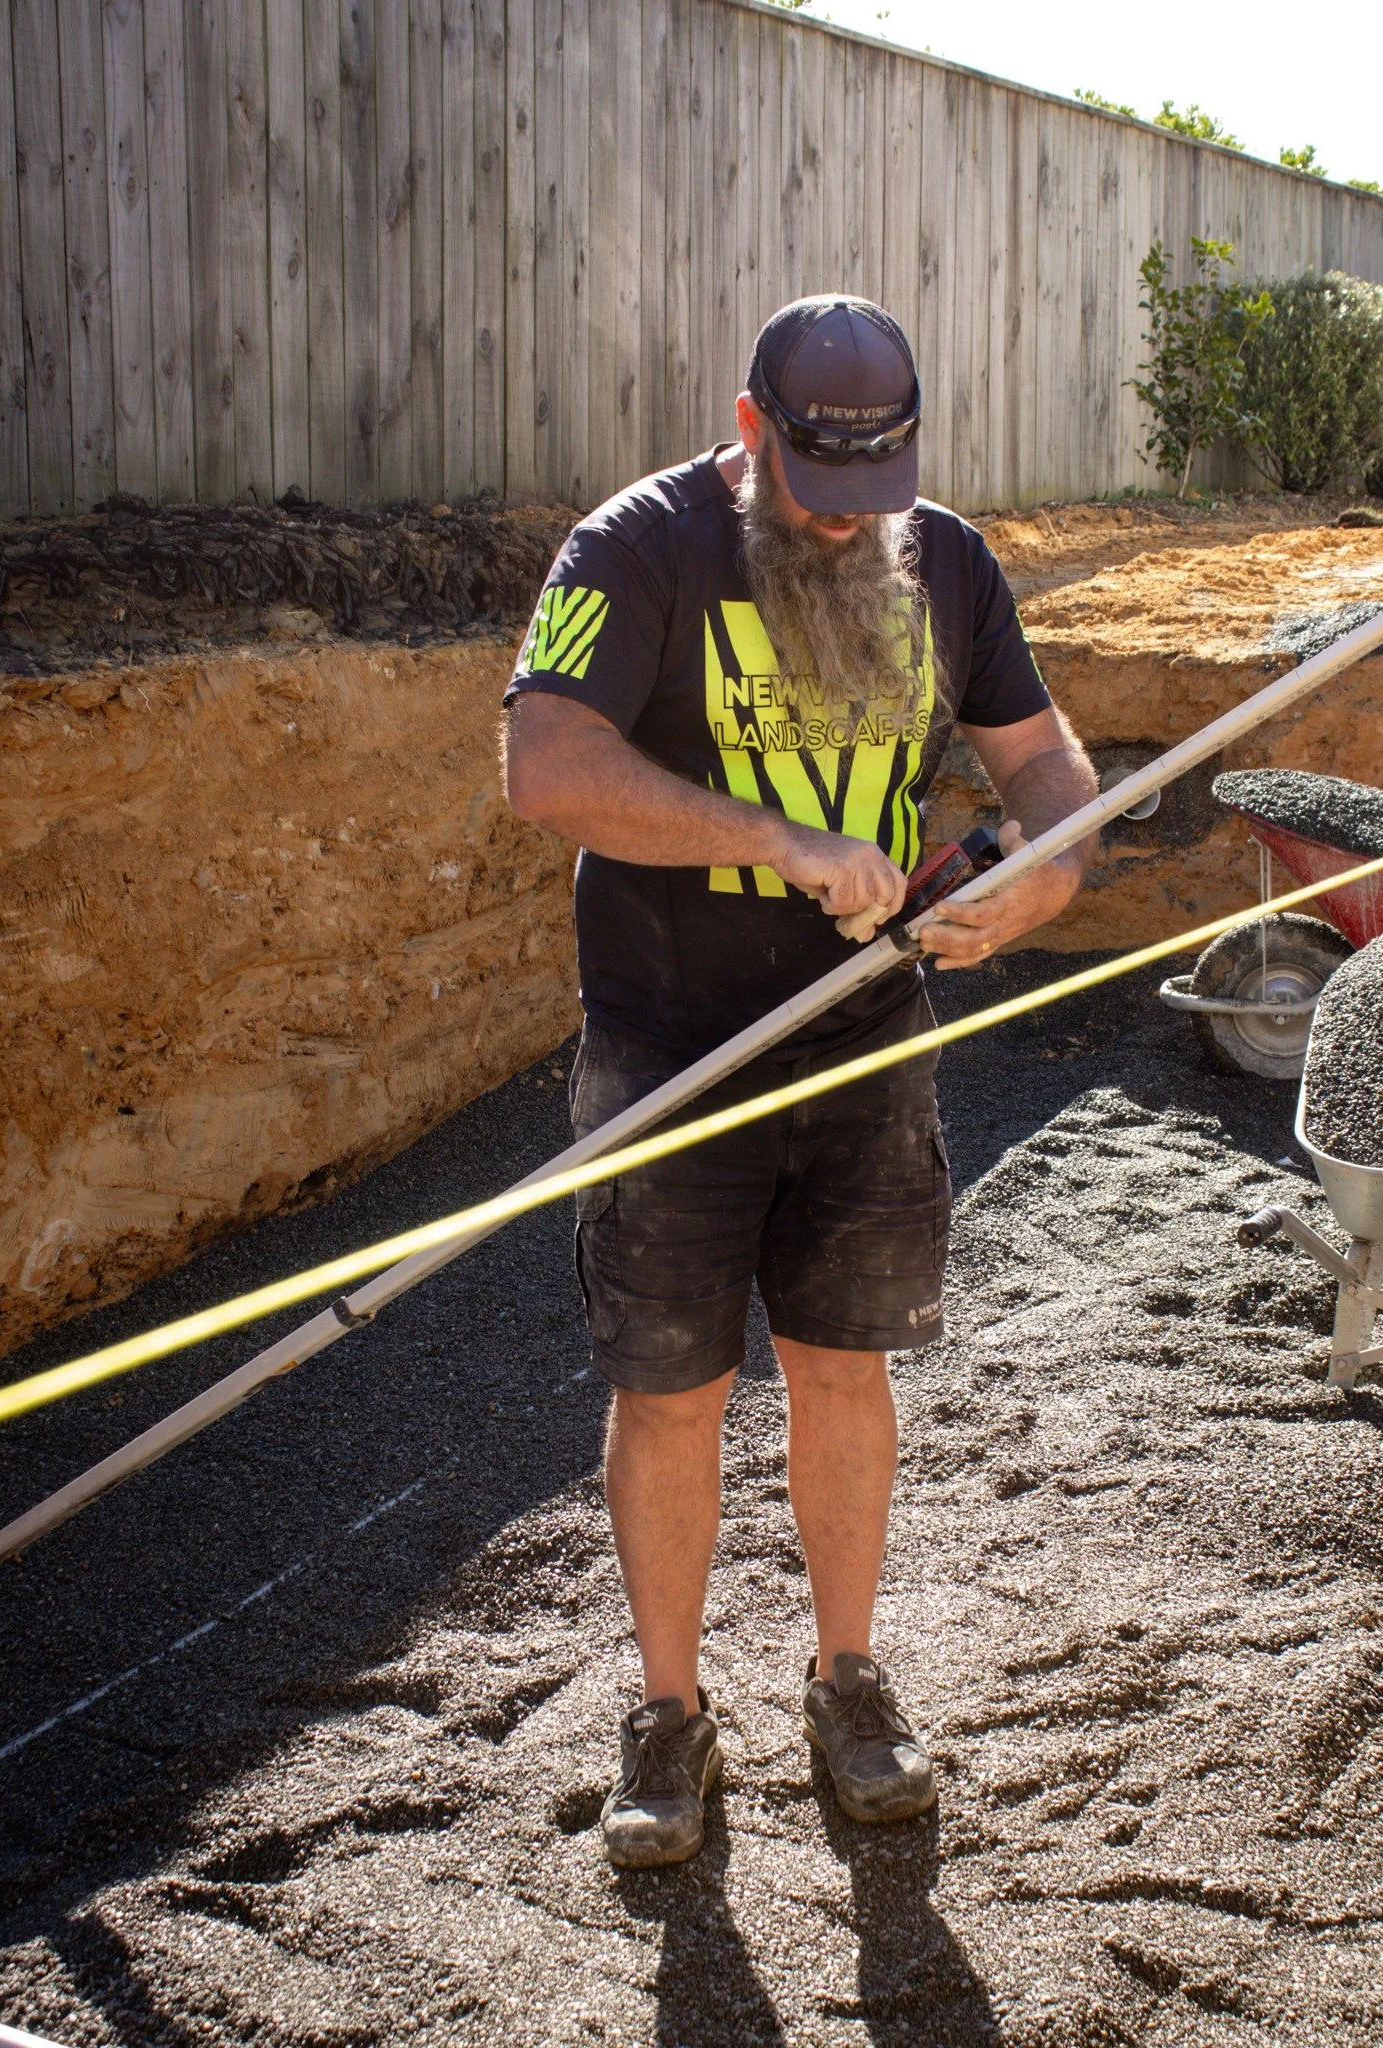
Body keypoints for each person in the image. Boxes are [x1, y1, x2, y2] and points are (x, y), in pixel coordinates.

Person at [503, 295, 1098, 1869]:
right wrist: (775, 839)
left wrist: (1039, 878)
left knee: (846, 1366)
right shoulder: (631, 549)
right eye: (817, 490)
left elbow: (1051, 772)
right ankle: (669, 1712)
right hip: (671, 1044)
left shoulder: (943, 556)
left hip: (864, 1041)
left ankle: (847, 1678)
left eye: (875, 492)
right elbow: (545, 767)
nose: (845, 526)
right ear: (753, 429)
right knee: (670, 1387)